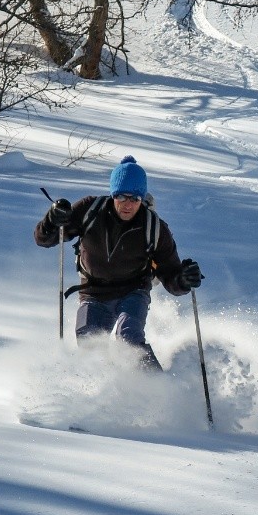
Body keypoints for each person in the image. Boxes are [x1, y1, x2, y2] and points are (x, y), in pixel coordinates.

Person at [35, 155, 202, 370]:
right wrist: (52, 221)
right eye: (122, 197)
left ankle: (158, 387)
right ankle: (102, 392)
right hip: (93, 291)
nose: (127, 204)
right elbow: (44, 239)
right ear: (113, 194)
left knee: (128, 337)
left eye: (134, 199)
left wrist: (184, 279)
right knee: (88, 338)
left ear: (142, 199)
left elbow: (170, 276)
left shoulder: (154, 227)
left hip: (133, 291)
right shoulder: (90, 210)